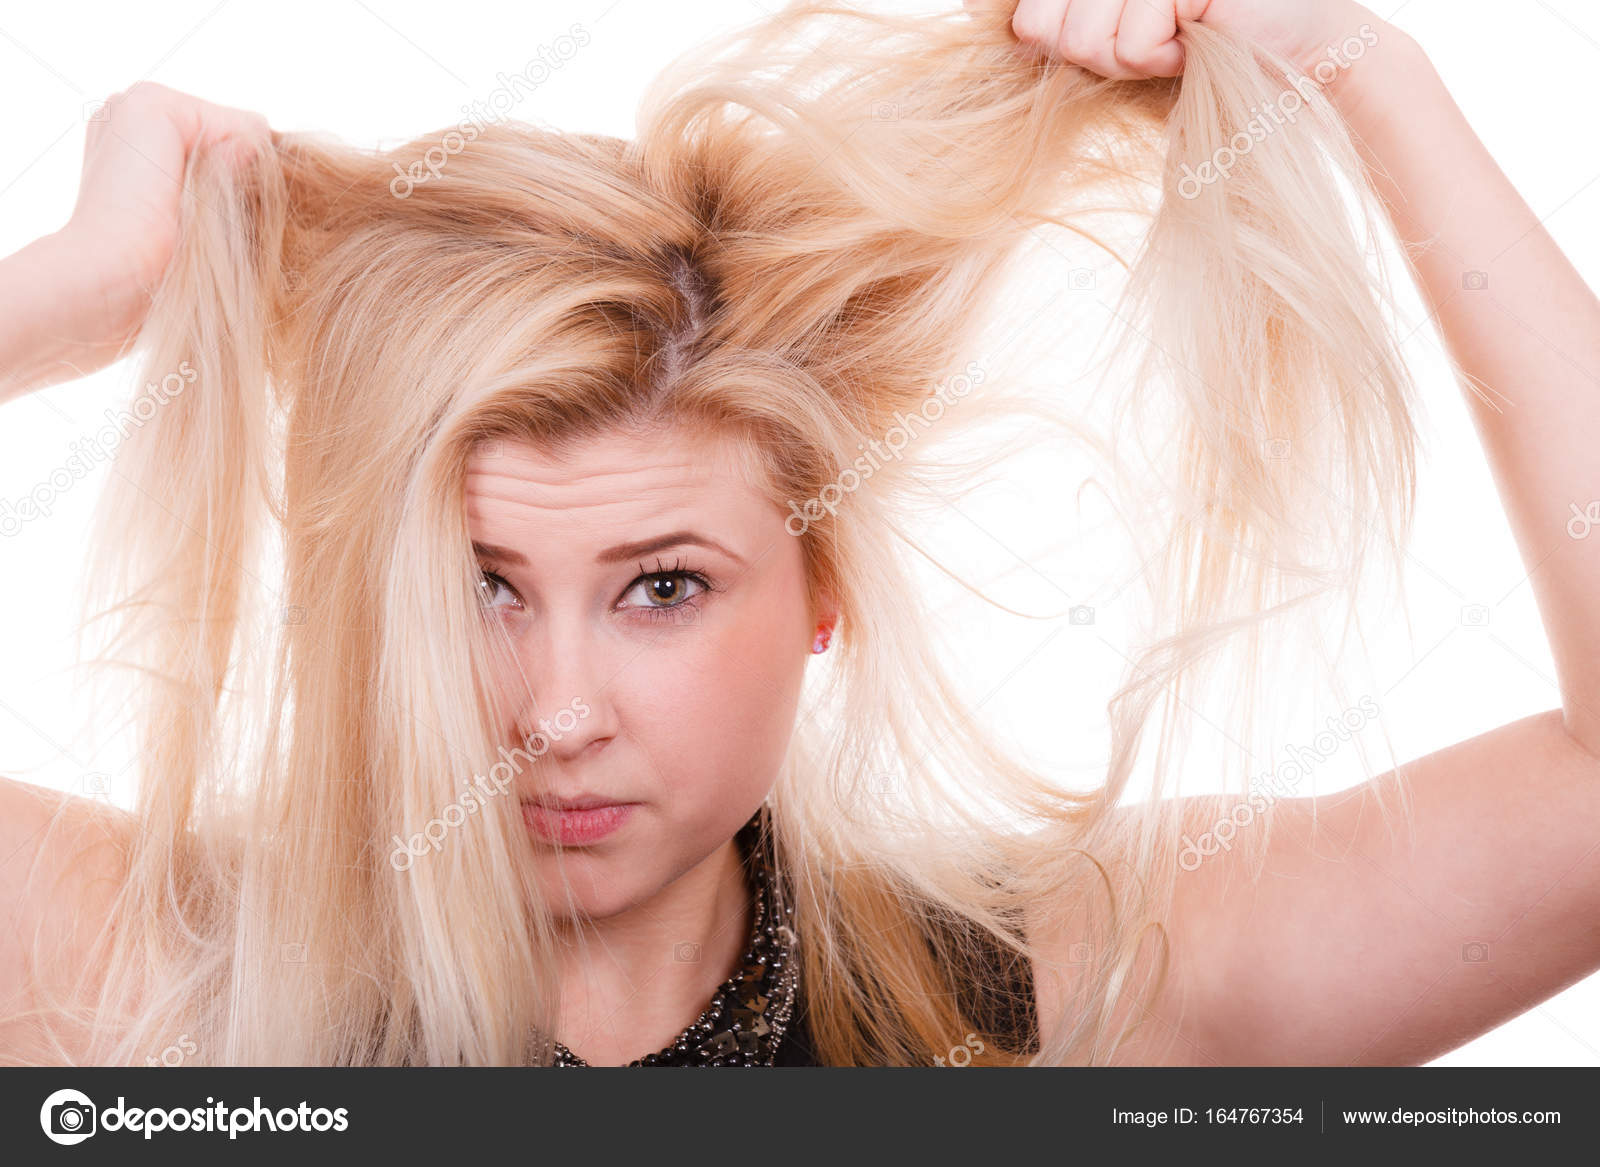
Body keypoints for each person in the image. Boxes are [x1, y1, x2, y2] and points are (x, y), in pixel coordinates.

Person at [1, 0, 1596, 1067]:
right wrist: (78, 292)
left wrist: (1357, 67)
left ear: (821, 586)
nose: (555, 715)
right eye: (476, 587)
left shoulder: (1063, 988)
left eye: (664, 588)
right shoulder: (152, 982)